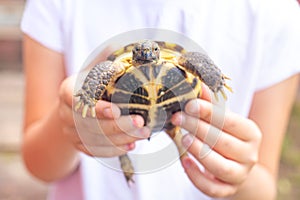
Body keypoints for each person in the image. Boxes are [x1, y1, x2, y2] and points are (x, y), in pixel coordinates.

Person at [21, 0, 300, 199]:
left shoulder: (275, 13)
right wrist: (71, 120)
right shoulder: (59, 6)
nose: (147, 54)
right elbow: (38, 162)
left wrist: (238, 174)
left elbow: (263, 189)